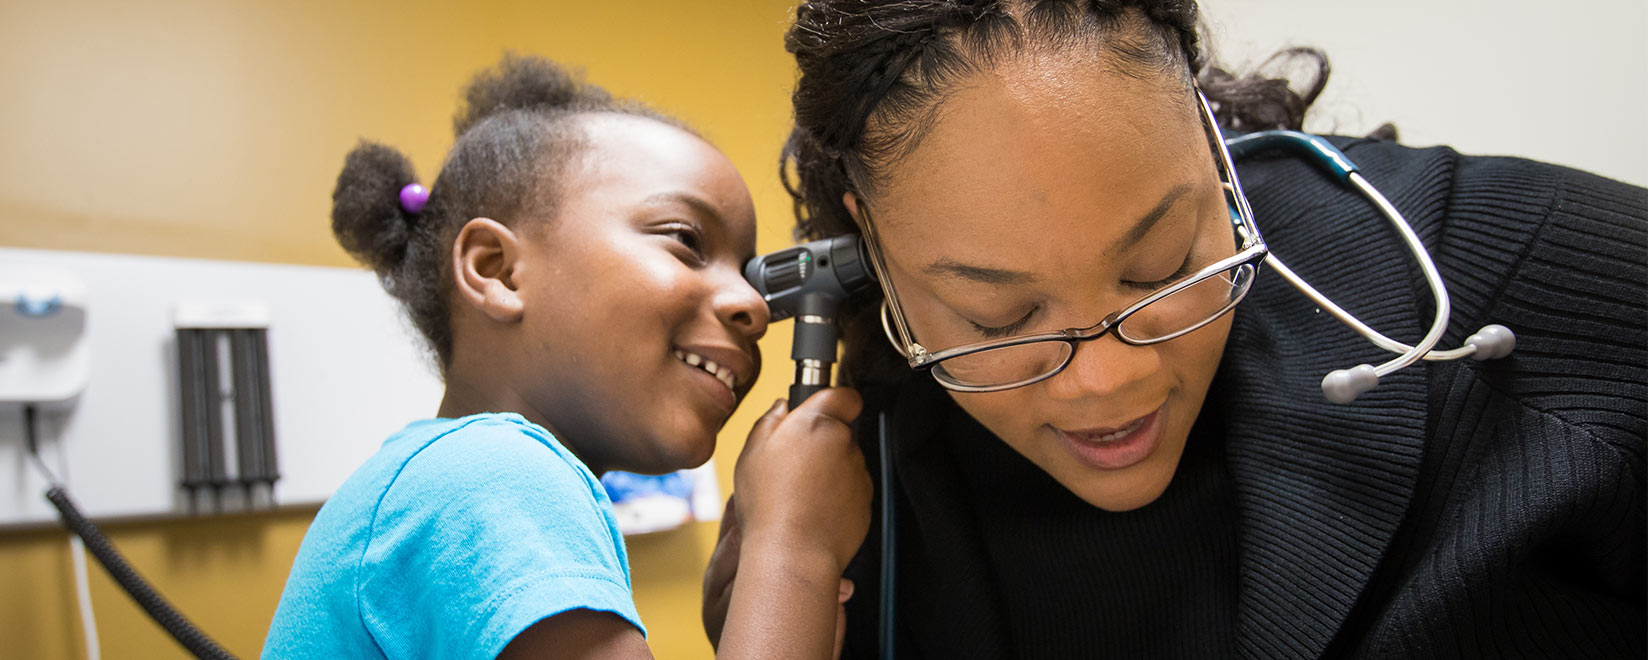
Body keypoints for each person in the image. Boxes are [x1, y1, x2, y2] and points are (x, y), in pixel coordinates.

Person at [701, 1, 1646, 658]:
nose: (1105, 381)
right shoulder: (843, 515)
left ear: (1207, 137)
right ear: (871, 244)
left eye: (1157, 266)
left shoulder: (1530, 268)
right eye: (999, 315)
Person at [262, 55, 871, 660]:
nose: (753, 305)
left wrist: (763, 620)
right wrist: (793, 551)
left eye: (746, 273)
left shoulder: (444, 482)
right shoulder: (491, 479)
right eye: (685, 240)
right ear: (497, 271)